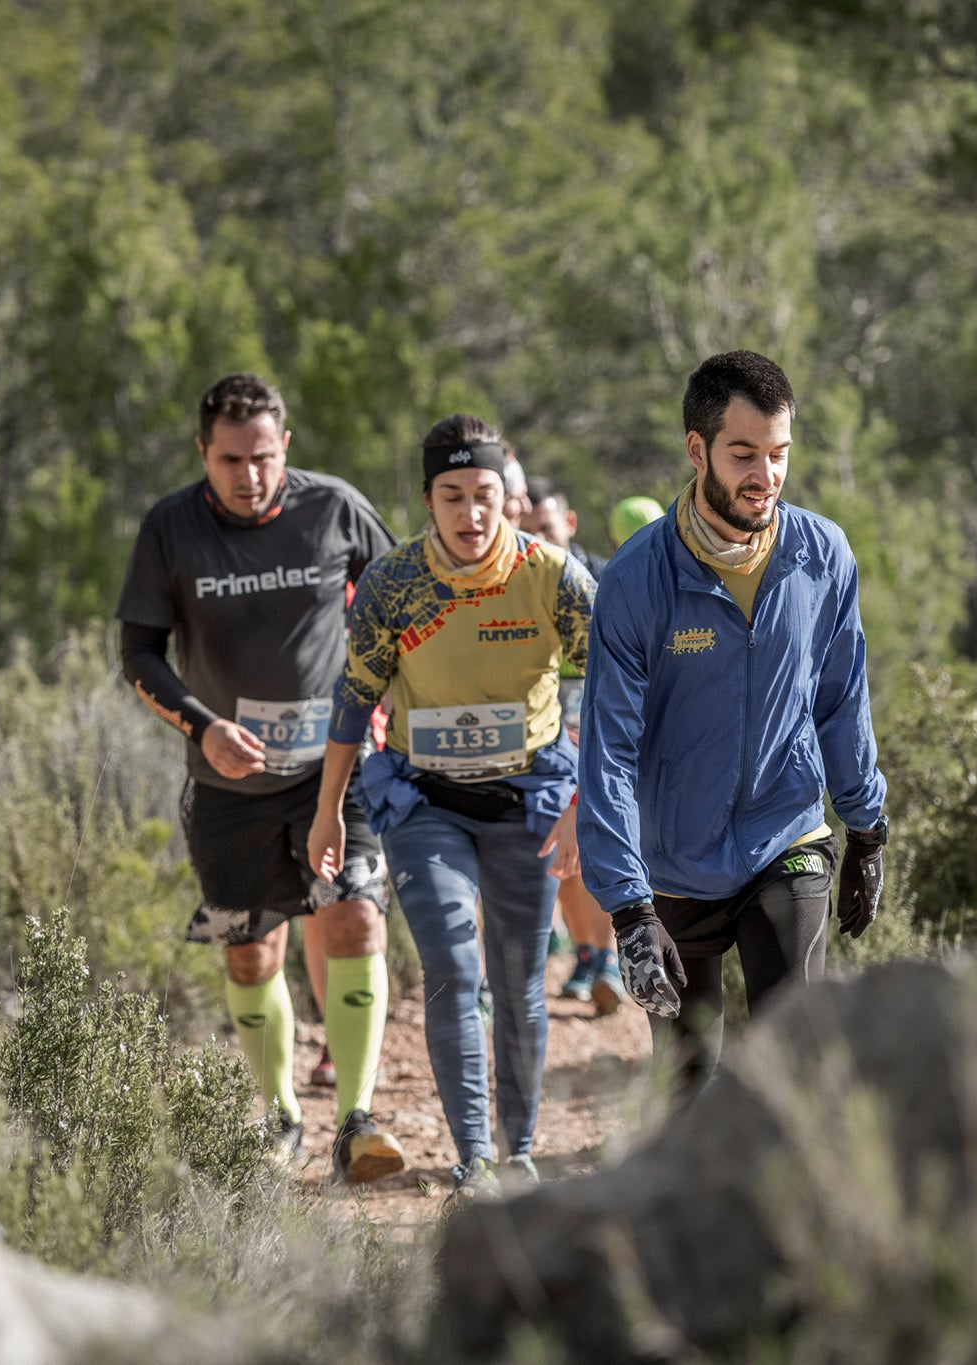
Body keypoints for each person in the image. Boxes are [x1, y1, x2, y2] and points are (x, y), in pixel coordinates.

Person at [116, 371, 406, 1184]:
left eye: (265, 457)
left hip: (337, 770)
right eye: (231, 459)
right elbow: (136, 652)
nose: (251, 475)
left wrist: (381, 708)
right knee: (250, 951)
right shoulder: (170, 528)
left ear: (287, 448)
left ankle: (357, 1116)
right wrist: (202, 728)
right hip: (228, 784)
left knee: (353, 917)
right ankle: (279, 1117)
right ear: (203, 454)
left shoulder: (335, 507)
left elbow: (400, 607)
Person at [577, 350, 889, 1096]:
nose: (766, 475)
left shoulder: (821, 555)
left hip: (787, 834)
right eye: (744, 453)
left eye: (779, 453)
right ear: (697, 449)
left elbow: (842, 699)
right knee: (688, 1086)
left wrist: (867, 828)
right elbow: (609, 755)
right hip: (675, 865)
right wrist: (628, 907)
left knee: (796, 1063)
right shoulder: (634, 582)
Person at [309, 415, 596, 1205]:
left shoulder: (552, 575)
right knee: (453, 969)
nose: (471, 514)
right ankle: (474, 1159)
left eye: (485, 495)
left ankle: (519, 1151)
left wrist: (583, 797)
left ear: (509, 495)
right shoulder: (395, 584)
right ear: (429, 498)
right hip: (424, 800)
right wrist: (328, 808)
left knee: (518, 979)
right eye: (453, 496)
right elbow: (354, 695)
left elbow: (617, 682)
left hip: (528, 799)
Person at [524, 474, 623, 1011]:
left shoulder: (607, 579)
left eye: (546, 527)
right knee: (559, 855)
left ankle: (606, 956)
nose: (538, 538)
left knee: (588, 846)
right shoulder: (521, 583)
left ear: (569, 523)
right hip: (545, 731)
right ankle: (588, 955)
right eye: (528, 529)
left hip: (600, 728)